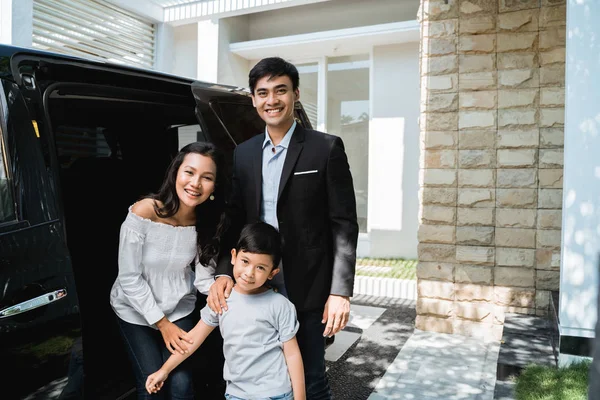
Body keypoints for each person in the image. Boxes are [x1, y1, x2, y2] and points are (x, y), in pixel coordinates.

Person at [208, 57, 359, 399]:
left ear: (296, 94)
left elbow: (344, 224)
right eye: (263, 93)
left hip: (306, 283)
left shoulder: (325, 148)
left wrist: (340, 291)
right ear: (253, 99)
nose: (271, 100)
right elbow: (233, 216)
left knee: (309, 378)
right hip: (254, 280)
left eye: (280, 90)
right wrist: (222, 271)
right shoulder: (244, 154)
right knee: (259, 373)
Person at [110, 141, 228, 399]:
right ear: (176, 172)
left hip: (178, 308)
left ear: (214, 186)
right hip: (134, 309)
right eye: (189, 172)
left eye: (206, 177)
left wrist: (224, 288)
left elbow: (203, 277)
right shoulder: (144, 211)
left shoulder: (207, 222)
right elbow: (129, 278)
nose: (195, 183)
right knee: (151, 384)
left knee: (181, 385)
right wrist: (162, 324)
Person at [145, 222, 306, 400]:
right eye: (245, 261)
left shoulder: (280, 305)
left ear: (272, 273)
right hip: (236, 394)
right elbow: (192, 339)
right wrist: (164, 370)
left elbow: (292, 354)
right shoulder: (221, 299)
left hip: (275, 393)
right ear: (233, 256)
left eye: (260, 267)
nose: (249, 273)